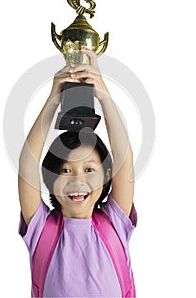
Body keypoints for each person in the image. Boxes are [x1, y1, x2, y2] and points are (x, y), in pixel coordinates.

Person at [18, 48, 137, 297]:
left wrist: (104, 95)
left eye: (89, 169)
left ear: (107, 176)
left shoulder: (114, 224)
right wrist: (53, 100)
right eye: (65, 170)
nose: (78, 180)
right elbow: (28, 166)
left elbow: (124, 163)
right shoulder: (42, 229)